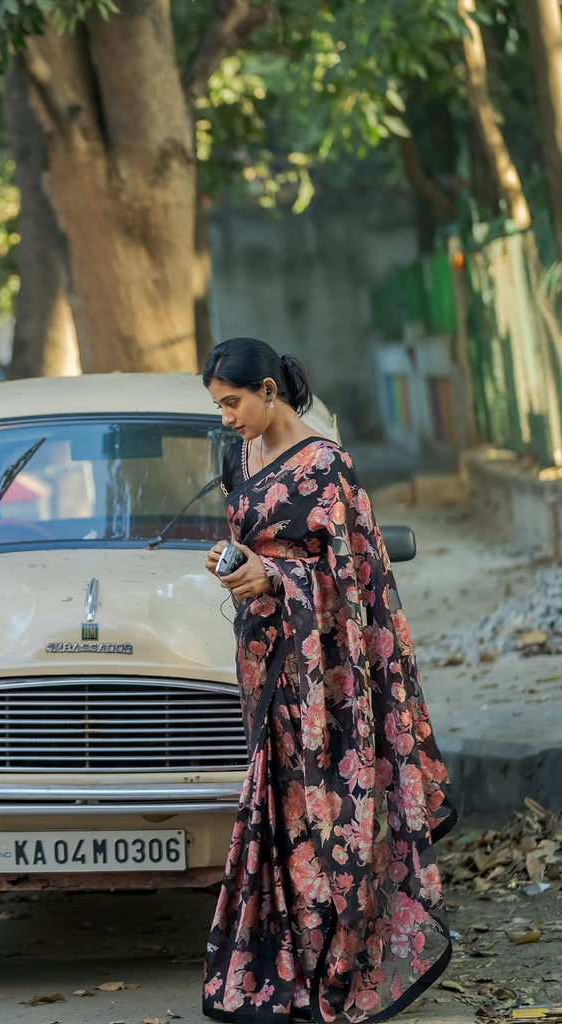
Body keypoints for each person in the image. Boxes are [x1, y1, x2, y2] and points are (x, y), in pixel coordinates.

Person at [201, 337, 456, 1023]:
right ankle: (285, 968)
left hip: (327, 672)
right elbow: (259, 543)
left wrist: (274, 576)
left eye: (232, 403)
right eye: (218, 406)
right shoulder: (239, 456)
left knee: (328, 811)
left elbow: (353, 578)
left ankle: (338, 964)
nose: (225, 417)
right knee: (277, 807)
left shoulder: (325, 466)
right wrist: (235, 564)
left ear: (267, 391)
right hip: (264, 657)